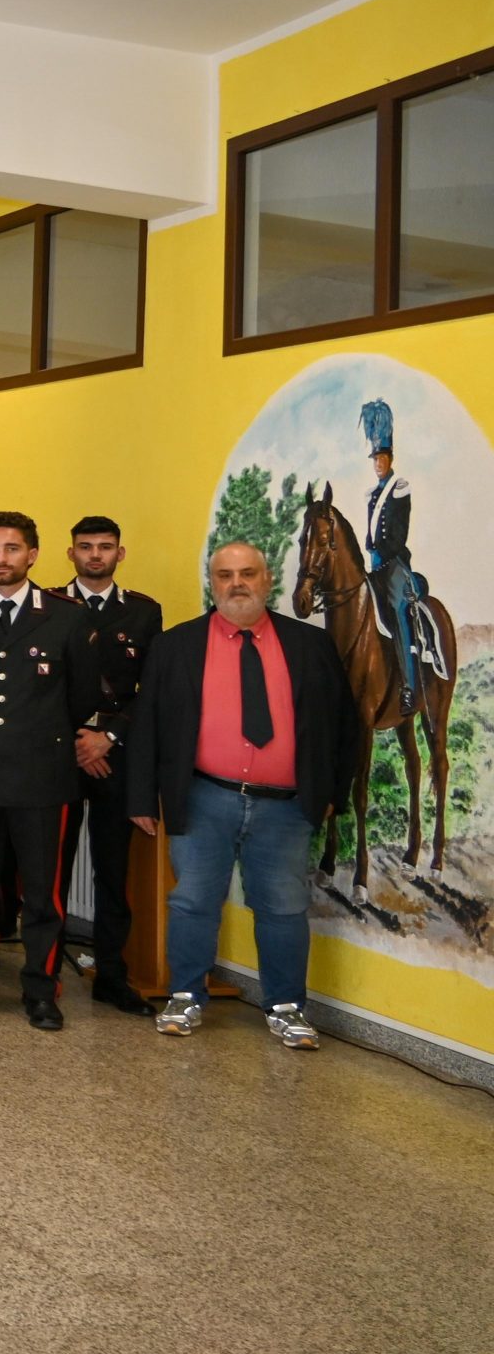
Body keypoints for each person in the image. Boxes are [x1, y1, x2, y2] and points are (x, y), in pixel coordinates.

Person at [129, 543, 363, 1050]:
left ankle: (286, 1007)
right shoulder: (176, 646)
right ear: (211, 583)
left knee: (282, 906)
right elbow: (147, 724)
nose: (237, 583)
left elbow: (346, 724)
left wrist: (331, 793)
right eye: (225, 575)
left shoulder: (310, 645)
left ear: (267, 579)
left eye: (248, 574)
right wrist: (142, 799)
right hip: (203, 797)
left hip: (285, 806)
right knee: (192, 902)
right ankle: (185, 997)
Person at [0, 512, 117, 1032]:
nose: (0, 559)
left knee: (43, 892)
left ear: (32, 555)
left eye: (12, 549)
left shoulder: (65, 616)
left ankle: (41, 989)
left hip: (42, 776)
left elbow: (80, 696)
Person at [55, 514, 163, 1016]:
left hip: (115, 757)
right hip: (57, 752)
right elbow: (37, 684)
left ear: (120, 553)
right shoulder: (49, 604)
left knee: (112, 871)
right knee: (48, 868)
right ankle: (45, 968)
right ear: (70, 553)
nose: (94, 555)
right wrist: (79, 740)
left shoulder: (143, 613)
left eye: (104, 547)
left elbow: (150, 691)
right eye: (85, 547)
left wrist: (108, 737)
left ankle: (112, 976)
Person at [361, 400, 425, 714]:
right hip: (374, 565)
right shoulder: (371, 494)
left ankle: (409, 689)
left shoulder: (400, 487)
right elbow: (371, 534)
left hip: (396, 565)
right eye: (374, 459)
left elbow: (398, 535)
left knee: (399, 614)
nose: (378, 463)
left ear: (390, 458)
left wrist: (381, 550)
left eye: (382, 458)